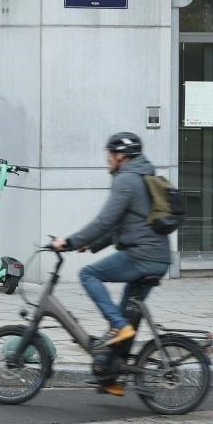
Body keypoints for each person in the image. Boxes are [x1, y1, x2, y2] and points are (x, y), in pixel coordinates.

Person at [51, 131, 170, 396]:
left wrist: (69, 242)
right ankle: (112, 376)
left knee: (89, 274)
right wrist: (91, 244)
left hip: (142, 256)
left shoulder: (127, 180)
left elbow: (105, 220)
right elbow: (120, 225)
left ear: (122, 156)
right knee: (128, 315)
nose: (107, 159)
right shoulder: (141, 175)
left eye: (110, 154)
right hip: (156, 256)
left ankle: (117, 325)